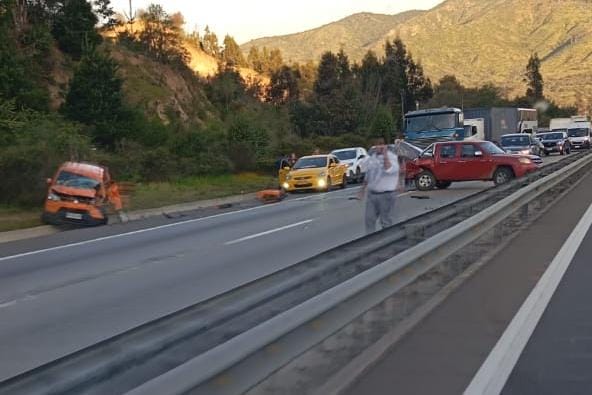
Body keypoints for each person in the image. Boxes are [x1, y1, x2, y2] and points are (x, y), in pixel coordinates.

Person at [359, 138, 400, 233]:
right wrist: (362, 190)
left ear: (385, 146)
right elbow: (368, 174)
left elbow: (389, 169)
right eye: (376, 145)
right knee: (369, 220)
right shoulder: (372, 158)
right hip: (372, 194)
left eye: (381, 145)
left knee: (385, 222)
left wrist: (385, 155)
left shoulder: (392, 157)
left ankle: (387, 243)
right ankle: (370, 242)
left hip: (386, 195)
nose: (378, 147)